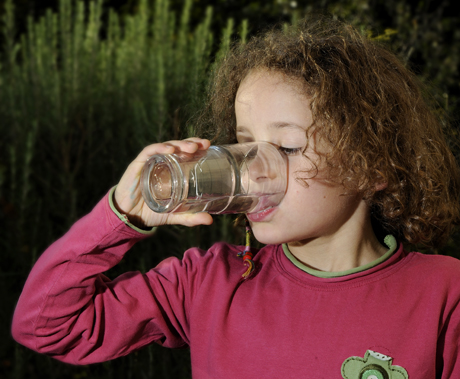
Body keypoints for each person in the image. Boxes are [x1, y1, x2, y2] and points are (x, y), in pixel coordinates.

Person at [11, 15, 460, 378]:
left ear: (373, 165)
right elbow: (47, 326)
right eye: (245, 142)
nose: (253, 168)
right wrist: (122, 214)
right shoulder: (209, 283)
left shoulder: (443, 294)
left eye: (286, 147)